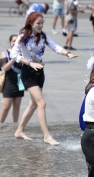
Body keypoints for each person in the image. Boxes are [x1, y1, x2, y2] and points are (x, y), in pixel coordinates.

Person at [10, 11, 78, 145]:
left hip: (40, 71)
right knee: (41, 103)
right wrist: (29, 63)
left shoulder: (43, 36)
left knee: (33, 104)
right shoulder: (23, 36)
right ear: (31, 23)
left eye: (42, 23)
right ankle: (47, 136)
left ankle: (19, 131)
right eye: (38, 23)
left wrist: (67, 53)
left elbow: (54, 46)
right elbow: (13, 54)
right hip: (28, 72)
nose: (41, 26)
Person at [0, 34, 24, 123]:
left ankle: (15, 125)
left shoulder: (23, 53)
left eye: (17, 41)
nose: (15, 43)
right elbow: (5, 68)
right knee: (6, 106)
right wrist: (14, 57)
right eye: (13, 41)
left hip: (20, 81)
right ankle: (0, 125)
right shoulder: (5, 53)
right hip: (8, 82)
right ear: (10, 42)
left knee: (17, 106)